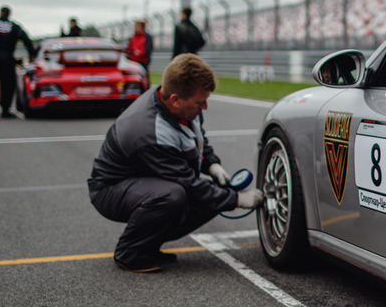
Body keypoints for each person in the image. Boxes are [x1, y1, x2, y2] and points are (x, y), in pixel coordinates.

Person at [87, 53, 264, 272]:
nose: (205, 107)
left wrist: (211, 164)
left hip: (143, 181)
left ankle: (148, 245)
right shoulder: (149, 131)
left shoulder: (184, 106)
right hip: (111, 189)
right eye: (200, 102)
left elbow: (197, 139)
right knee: (173, 196)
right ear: (175, 100)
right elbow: (187, 183)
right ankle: (129, 252)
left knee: (213, 194)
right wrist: (236, 199)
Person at [0, 6, 35, 119]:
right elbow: (27, 40)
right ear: (9, 14)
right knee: (8, 85)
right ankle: (5, 110)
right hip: (7, 58)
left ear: (0, 13)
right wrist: (32, 54)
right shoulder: (14, 27)